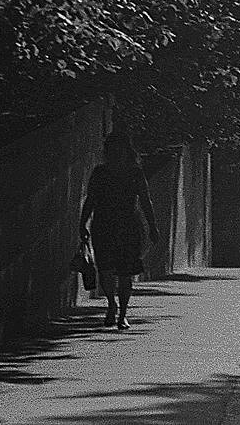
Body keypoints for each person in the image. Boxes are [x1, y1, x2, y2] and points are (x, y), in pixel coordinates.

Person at [79, 133, 160, 330]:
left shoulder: (135, 173)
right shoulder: (100, 173)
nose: (116, 154)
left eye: (119, 150)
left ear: (126, 152)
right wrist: (83, 224)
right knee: (105, 270)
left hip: (129, 227)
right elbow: (91, 199)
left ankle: (122, 313)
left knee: (125, 272)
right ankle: (111, 304)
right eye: (112, 150)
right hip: (104, 226)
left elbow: (145, 200)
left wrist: (152, 226)